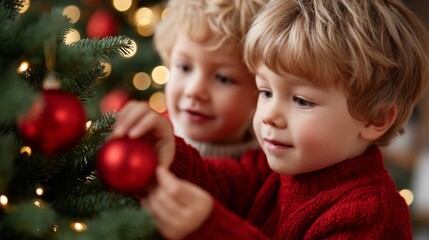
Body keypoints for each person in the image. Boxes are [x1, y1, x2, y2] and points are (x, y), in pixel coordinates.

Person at [111, 0, 429, 239]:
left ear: (376, 117)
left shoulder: (371, 215)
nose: (270, 116)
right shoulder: (272, 167)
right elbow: (221, 185)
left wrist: (211, 228)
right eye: (265, 92)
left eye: (301, 100)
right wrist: (169, 151)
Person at [115, 0, 268, 159]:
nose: (194, 91)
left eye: (223, 78)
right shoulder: (147, 138)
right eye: (184, 67)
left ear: (262, 90)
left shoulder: (270, 167)